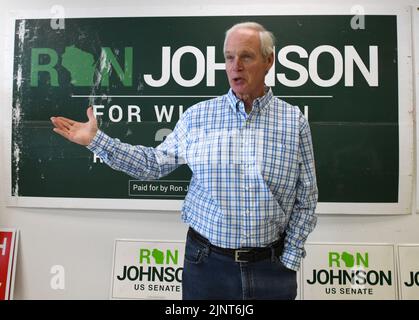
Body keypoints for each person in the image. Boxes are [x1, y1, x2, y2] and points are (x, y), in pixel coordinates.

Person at [50, 22, 318, 300]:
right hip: (207, 268)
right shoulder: (197, 117)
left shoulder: (293, 122)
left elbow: (307, 197)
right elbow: (153, 164)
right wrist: (96, 140)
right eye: (229, 57)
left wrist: (290, 258)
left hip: (271, 270)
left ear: (268, 61)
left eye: (246, 56)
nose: (235, 65)